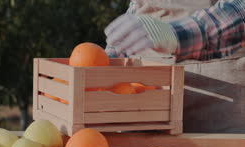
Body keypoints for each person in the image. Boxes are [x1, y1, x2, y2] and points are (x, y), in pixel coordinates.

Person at [103, 0, 245, 133]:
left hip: (220, 99)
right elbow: (140, 9)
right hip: (144, 106)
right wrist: (111, 55)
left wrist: (183, 33)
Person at [104, 0, 245, 62]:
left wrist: (178, 34)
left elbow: (241, 9)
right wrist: (112, 55)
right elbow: (139, 9)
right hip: (148, 94)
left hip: (217, 99)